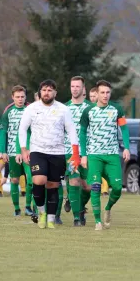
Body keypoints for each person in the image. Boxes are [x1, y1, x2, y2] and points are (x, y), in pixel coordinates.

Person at [19, 79, 80, 229]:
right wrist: (24, 149)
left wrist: (75, 153)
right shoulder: (31, 109)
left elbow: (71, 130)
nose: (47, 93)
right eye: (44, 90)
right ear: (40, 92)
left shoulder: (63, 109)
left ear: (55, 93)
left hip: (58, 152)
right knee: (39, 180)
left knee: (53, 185)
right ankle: (41, 212)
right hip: (38, 150)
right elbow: (22, 129)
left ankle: (51, 218)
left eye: (50, 90)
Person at [79, 80, 130, 230]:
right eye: (102, 92)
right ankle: (97, 222)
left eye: (108, 92)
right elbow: (82, 133)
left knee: (117, 188)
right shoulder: (88, 111)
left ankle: (108, 208)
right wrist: (83, 155)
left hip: (112, 154)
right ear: (97, 93)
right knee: (95, 186)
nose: (105, 95)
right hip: (94, 154)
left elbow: (124, 129)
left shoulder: (117, 109)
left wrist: (126, 147)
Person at [60, 76, 93, 226]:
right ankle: (76, 218)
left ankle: (79, 207)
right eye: (72, 86)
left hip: (87, 152)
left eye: (77, 86)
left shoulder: (91, 108)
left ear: (83, 89)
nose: (75, 89)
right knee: (74, 181)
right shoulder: (64, 108)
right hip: (69, 152)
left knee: (88, 186)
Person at [0, 85, 34, 217]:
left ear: (25, 97)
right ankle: (17, 208)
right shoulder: (8, 112)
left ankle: (29, 207)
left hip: (29, 151)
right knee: (14, 180)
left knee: (31, 179)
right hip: (13, 152)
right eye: (17, 97)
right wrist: (2, 150)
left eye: (22, 97)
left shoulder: (30, 111)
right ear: (12, 97)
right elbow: (2, 131)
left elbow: (32, 132)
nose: (20, 99)